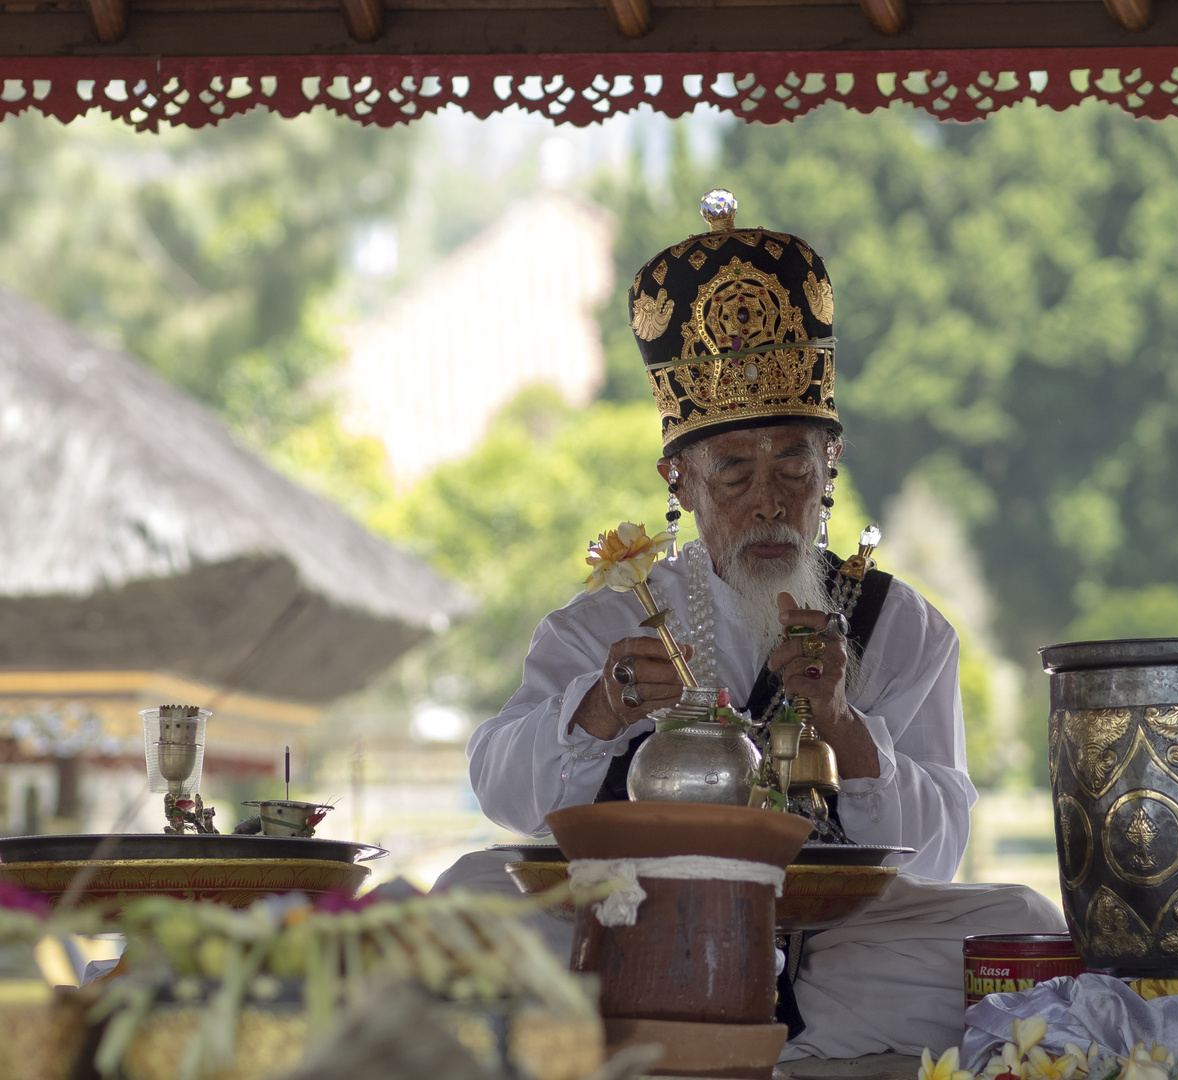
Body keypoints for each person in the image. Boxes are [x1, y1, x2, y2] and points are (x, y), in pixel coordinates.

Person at [437, 190, 1065, 1060]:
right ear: (680, 480)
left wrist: (845, 727)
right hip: (638, 929)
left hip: (836, 949)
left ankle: (669, 1030)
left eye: (793, 464)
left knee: (1020, 925)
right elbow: (503, 791)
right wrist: (601, 711)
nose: (770, 499)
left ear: (830, 464)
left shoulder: (901, 627)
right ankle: (737, 1028)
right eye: (733, 470)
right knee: (456, 899)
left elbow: (938, 856)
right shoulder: (614, 619)